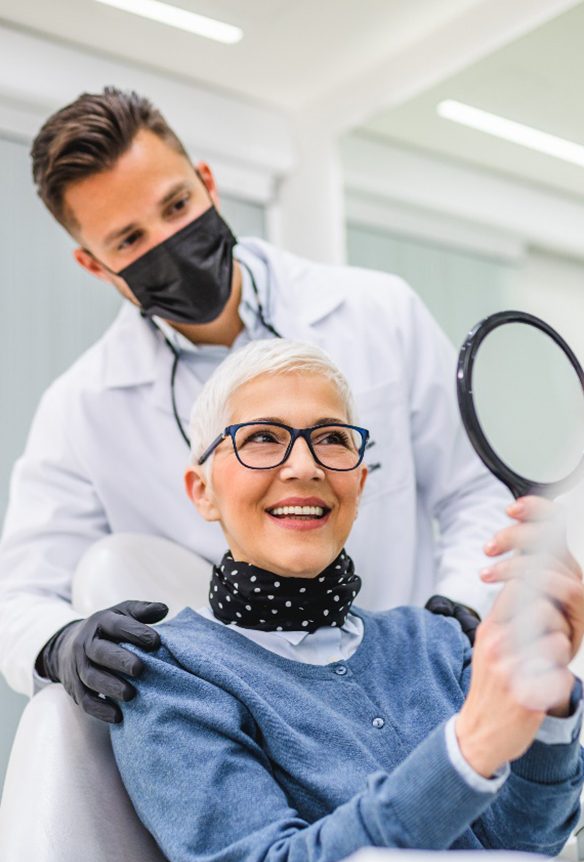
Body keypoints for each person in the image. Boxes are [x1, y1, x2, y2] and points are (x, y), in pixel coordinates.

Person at [0, 87, 510, 723]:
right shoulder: (82, 409)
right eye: (130, 239)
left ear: (208, 184)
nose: (170, 242)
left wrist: (455, 614)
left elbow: (473, 493)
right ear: (94, 265)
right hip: (265, 723)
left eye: (178, 205)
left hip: (427, 680)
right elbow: (22, 594)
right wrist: (60, 643)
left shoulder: (379, 313)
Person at [110, 339, 584, 862]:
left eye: (332, 439)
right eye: (263, 438)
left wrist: (547, 705)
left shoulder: (435, 642)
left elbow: (523, 847)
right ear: (202, 491)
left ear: (358, 482)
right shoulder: (171, 678)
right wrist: (469, 748)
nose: (305, 467)